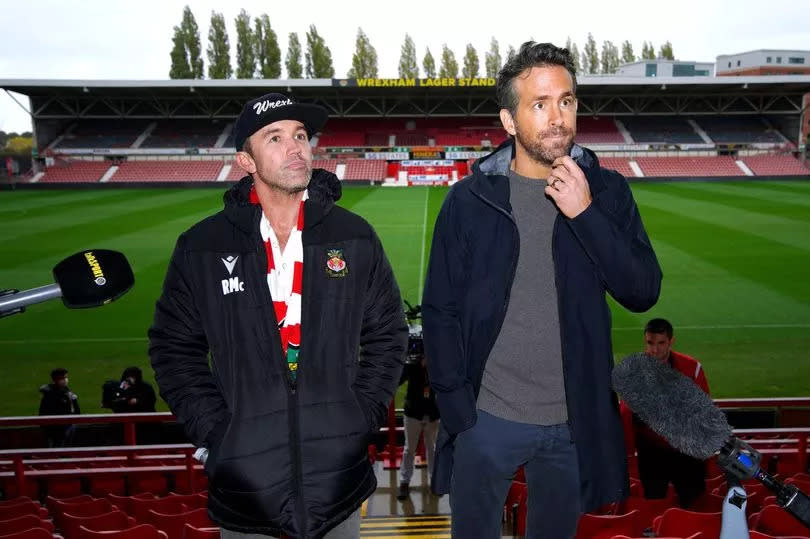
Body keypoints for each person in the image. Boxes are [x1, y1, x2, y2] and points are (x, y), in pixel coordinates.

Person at [421, 41, 662, 539]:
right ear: (508, 121)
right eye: (540, 104)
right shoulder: (468, 202)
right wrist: (458, 409)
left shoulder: (608, 191)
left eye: (567, 101)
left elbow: (642, 291)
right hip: (486, 419)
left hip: (573, 425)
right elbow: (440, 310)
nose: (558, 118)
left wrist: (586, 213)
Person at [148, 92, 407, 539]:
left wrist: (358, 416)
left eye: (301, 136)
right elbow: (173, 350)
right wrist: (216, 430)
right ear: (245, 161)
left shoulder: (354, 235)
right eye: (275, 137)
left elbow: (388, 334)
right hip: (247, 489)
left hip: (336, 485)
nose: (295, 148)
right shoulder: (203, 246)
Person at [621, 318, 710, 508]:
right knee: (654, 505)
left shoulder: (692, 368)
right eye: (650, 343)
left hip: (686, 450)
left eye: (661, 343)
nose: (655, 350)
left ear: (671, 341)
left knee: (693, 503)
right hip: (651, 452)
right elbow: (626, 414)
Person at [396, 350, 439, 500]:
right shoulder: (412, 365)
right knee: (409, 449)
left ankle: (435, 481)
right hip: (414, 413)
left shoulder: (438, 364)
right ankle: (404, 482)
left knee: (432, 448)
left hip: (432, 413)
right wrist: (408, 364)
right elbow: (399, 379)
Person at [38, 367, 80, 447]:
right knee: (58, 447)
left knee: (66, 447)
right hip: (57, 428)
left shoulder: (66, 391)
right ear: (55, 380)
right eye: (63, 378)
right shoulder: (50, 394)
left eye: (66, 377)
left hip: (69, 424)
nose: (65, 380)